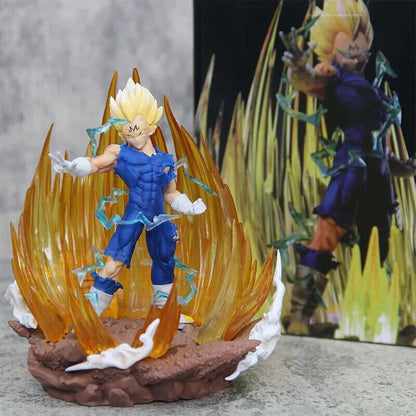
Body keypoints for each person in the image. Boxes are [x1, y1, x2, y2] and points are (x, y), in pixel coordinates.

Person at [281, 0, 416, 335]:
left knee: (378, 246)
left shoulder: (374, 92)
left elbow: (379, 141)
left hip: (379, 176)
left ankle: (381, 320)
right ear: (331, 51)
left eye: (360, 50)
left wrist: (401, 167)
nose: (355, 57)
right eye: (347, 51)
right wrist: (299, 66)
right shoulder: (334, 78)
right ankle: (299, 316)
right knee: (327, 234)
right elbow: (307, 81)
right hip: (351, 170)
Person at [50, 79, 206, 318]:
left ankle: (164, 314)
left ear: (151, 128)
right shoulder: (120, 152)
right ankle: (90, 315)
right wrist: (75, 167)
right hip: (134, 214)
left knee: (165, 258)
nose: (132, 138)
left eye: (137, 131)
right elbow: (96, 164)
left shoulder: (165, 160)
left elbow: (169, 192)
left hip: (159, 216)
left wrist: (189, 206)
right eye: (127, 133)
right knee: (115, 262)